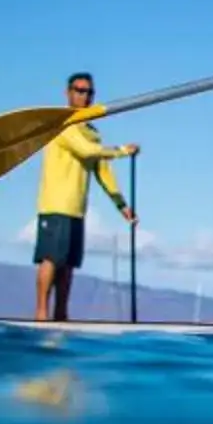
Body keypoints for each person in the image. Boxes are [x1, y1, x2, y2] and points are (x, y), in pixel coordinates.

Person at [31, 72, 134, 321]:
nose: (84, 96)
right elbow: (85, 151)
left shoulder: (91, 132)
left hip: (77, 208)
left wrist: (122, 205)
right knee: (51, 259)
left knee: (68, 266)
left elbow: (102, 170)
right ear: (68, 93)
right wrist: (122, 150)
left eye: (89, 92)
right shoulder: (61, 124)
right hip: (55, 204)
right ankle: (41, 314)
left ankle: (61, 316)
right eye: (79, 90)